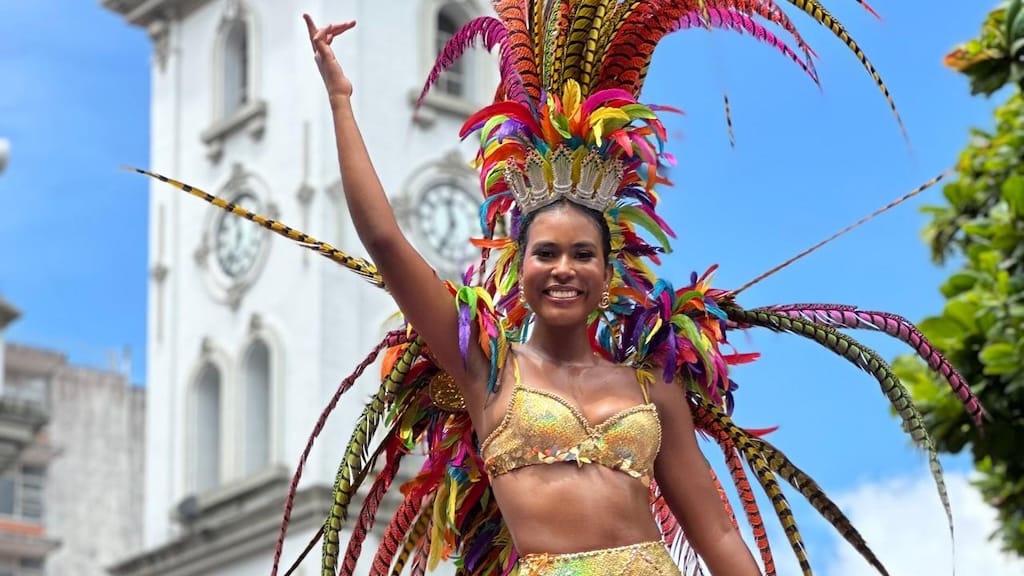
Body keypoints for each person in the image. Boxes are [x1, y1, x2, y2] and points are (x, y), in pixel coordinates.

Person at [131, 3, 984, 575]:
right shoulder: (484, 369)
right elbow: (385, 239)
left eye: (583, 254)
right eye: (546, 253)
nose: (564, 268)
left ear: (612, 275)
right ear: (519, 265)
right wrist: (342, 102)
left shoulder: (654, 384)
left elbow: (717, 530)